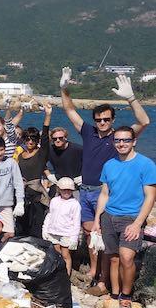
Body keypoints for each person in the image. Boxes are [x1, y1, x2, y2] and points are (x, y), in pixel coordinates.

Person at [60, 68, 150, 290]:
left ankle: (104, 280)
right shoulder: (87, 132)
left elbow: (144, 121)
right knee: (91, 234)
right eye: (99, 119)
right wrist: (64, 89)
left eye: (106, 119)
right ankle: (95, 272)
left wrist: (130, 98)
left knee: (106, 239)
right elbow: (69, 109)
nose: (102, 122)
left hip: (105, 193)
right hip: (86, 191)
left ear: (113, 119)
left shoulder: (120, 137)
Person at [93, 126, 156, 308]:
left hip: (131, 218)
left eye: (126, 140)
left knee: (127, 258)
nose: (121, 144)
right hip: (109, 216)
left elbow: (150, 196)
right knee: (112, 258)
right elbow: (104, 194)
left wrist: (138, 223)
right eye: (118, 140)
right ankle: (114, 294)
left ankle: (126, 296)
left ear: (134, 141)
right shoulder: (109, 165)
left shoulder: (146, 164)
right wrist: (97, 219)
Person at [16, 102, 52, 238]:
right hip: (22, 196)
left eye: (33, 139)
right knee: (21, 229)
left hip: (37, 198)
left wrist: (47, 115)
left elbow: (45, 137)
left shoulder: (41, 153)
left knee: (36, 230)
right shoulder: (20, 155)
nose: (30, 141)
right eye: (27, 138)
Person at [0, 136, 25, 241]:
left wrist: (20, 202)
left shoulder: (11, 163)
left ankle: (1, 248)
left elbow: (18, 183)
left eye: (2, 149)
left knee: (10, 232)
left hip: (6, 203)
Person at [42, 177, 81, 276]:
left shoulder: (75, 204)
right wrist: (45, 228)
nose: (66, 192)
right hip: (53, 232)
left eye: (69, 190)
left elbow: (76, 222)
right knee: (55, 254)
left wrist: (74, 238)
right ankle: (56, 275)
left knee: (65, 255)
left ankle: (66, 276)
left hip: (67, 233)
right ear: (59, 189)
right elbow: (50, 215)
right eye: (64, 189)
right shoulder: (54, 200)